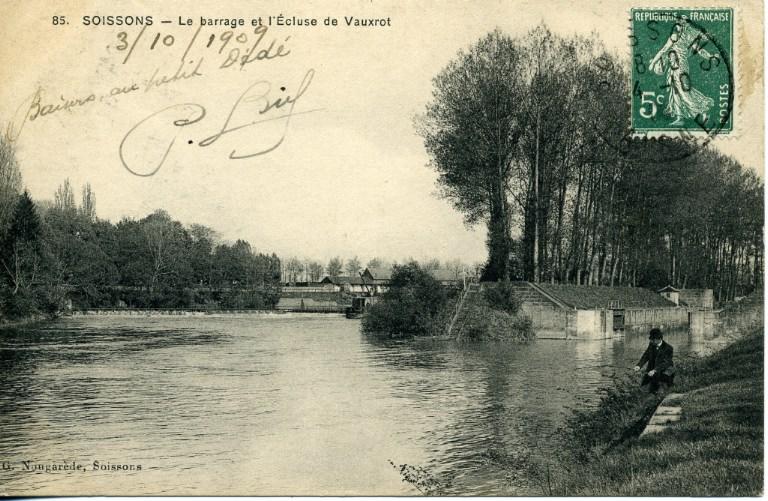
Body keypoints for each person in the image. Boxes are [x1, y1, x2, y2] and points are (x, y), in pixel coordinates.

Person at [648, 16, 715, 126]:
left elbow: (698, 50)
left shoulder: (685, 37)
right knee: (675, 91)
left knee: (683, 92)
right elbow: (664, 50)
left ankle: (702, 112)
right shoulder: (680, 36)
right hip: (675, 67)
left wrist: (652, 63)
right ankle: (679, 118)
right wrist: (709, 56)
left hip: (681, 68)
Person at [633, 328, 674, 393]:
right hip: (651, 369)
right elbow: (646, 356)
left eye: (653, 340)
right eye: (651, 339)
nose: (651, 341)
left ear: (659, 339)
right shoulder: (652, 344)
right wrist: (639, 365)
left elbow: (666, 363)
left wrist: (655, 370)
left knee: (660, 390)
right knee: (643, 389)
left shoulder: (668, 348)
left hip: (664, 371)